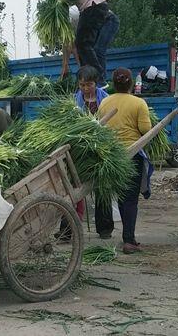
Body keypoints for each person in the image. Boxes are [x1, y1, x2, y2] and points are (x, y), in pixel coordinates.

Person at [96, 68, 152, 254]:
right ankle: (129, 240)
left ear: (113, 83)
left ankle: (113, 233)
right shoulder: (139, 103)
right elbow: (146, 130)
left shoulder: (104, 101)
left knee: (115, 195)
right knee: (130, 200)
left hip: (111, 157)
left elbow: (100, 126)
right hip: (131, 156)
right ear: (130, 84)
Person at [72, 65, 107, 235]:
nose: (86, 88)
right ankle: (72, 227)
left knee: (102, 187)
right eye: (82, 85)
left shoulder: (105, 99)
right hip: (80, 148)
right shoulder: (73, 101)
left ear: (96, 83)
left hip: (100, 148)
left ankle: (104, 228)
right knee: (75, 186)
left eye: (89, 84)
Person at [60, 5, 120, 85]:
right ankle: (90, 80)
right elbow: (68, 45)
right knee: (88, 51)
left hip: (109, 21)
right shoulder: (64, 26)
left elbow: (75, 46)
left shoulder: (72, 14)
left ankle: (101, 82)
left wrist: (80, 66)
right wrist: (65, 66)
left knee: (98, 50)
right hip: (97, 24)